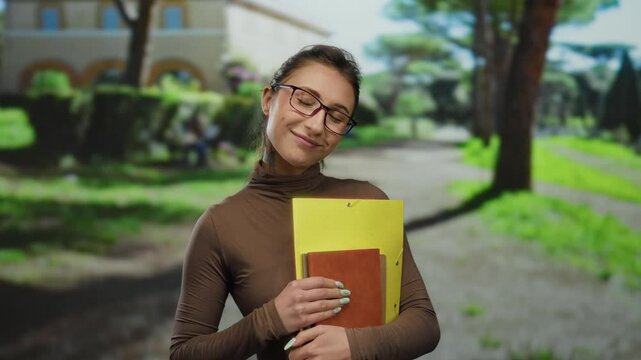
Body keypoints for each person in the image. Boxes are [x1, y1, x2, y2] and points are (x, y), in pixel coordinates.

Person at [170, 45, 440, 360]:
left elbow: (424, 323)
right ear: (269, 99)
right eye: (305, 100)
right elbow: (183, 353)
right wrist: (271, 319)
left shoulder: (368, 201)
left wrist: (356, 346)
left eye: (336, 116)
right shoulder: (220, 225)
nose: (315, 125)